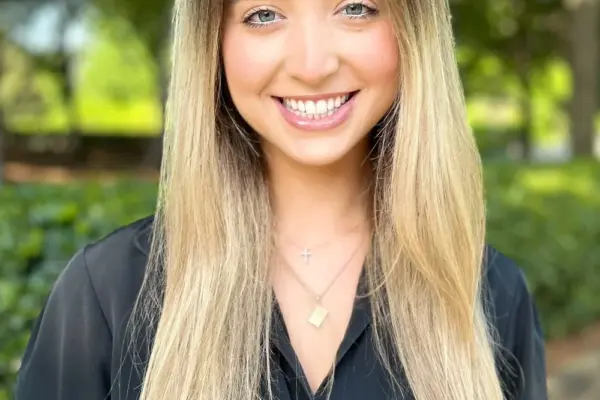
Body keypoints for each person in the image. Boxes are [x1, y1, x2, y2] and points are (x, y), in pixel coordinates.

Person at [15, 0, 548, 399]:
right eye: (264, 14)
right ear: (213, 41)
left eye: (355, 8)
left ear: (413, 27)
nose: (312, 65)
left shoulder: (491, 296)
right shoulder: (103, 298)